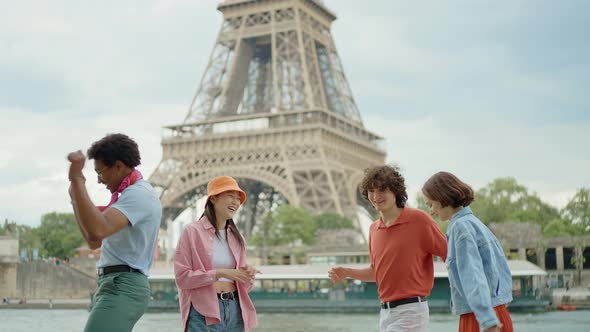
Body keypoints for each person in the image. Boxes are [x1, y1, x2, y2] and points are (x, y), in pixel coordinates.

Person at [329, 165, 447, 332]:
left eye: (382, 190)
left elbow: (450, 254)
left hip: (411, 311)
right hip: (385, 313)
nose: (376, 196)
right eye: (371, 191)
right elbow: (377, 272)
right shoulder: (373, 229)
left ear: (396, 191)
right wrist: (347, 272)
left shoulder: (419, 220)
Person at [67, 133, 161, 332]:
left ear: (118, 166)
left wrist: (77, 180)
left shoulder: (139, 195)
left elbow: (97, 229)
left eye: (100, 172)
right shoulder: (127, 196)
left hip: (123, 285)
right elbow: (93, 239)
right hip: (114, 284)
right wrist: (75, 194)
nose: (100, 181)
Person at [422, 171, 513, 332]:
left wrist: (487, 320)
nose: (431, 211)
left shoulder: (459, 228)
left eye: (430, 204)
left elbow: (472, 276)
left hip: (479, 317)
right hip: (498, 311)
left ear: (441, 197)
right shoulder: (476, 224)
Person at [174, 176, 257, 332]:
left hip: (236, 310)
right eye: (230, 196)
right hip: (204, 311)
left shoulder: (237, 238)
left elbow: (245, 287)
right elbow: (182, 278)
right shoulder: (192, 232)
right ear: (213, 198)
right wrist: (218, 273)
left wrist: (247, 275)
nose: (235, 202)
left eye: (238, 198)